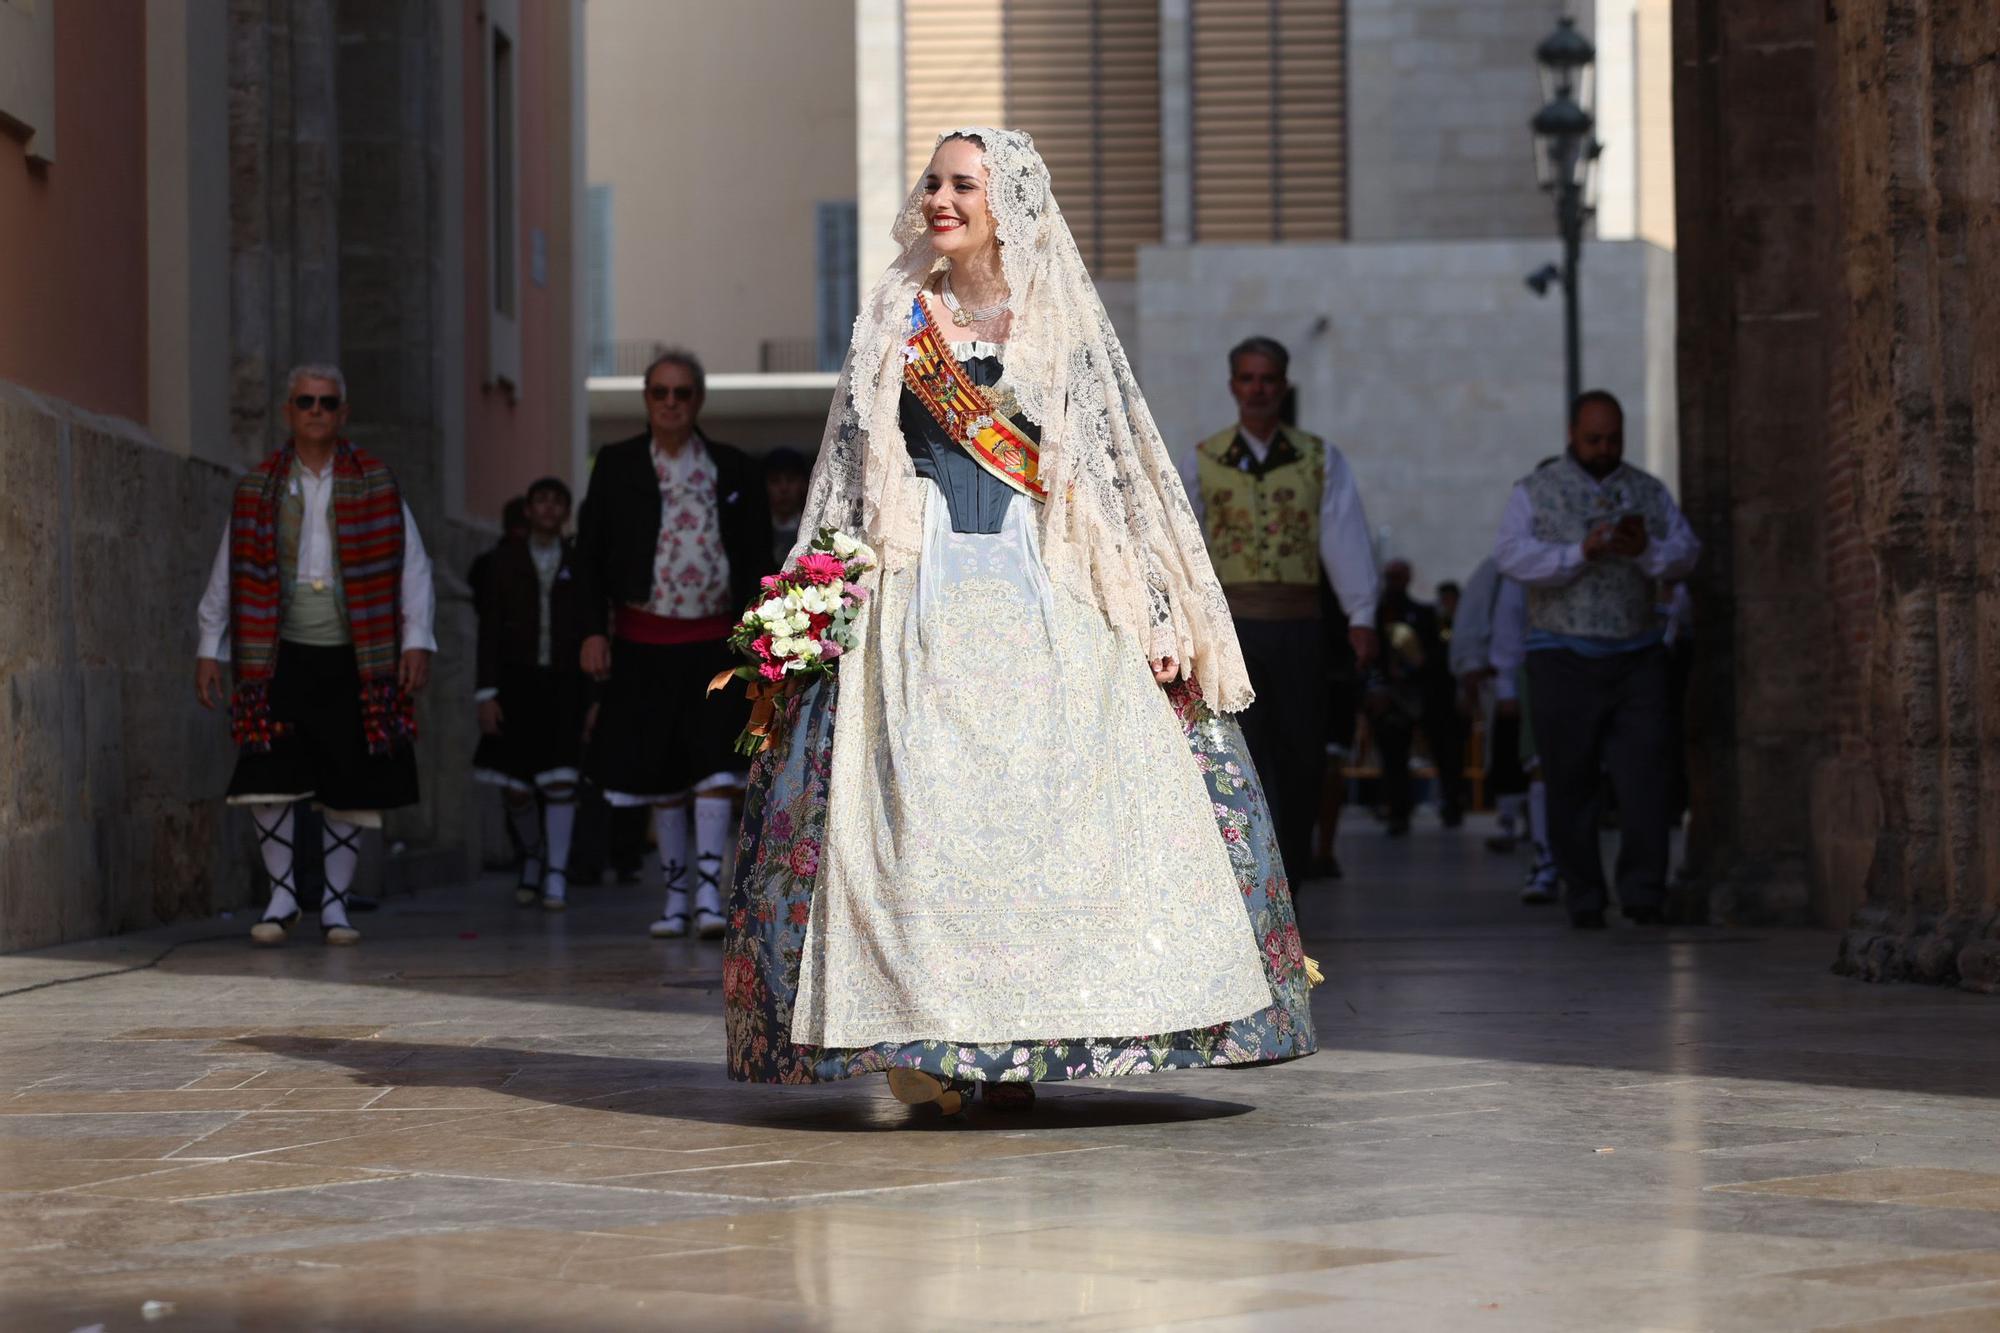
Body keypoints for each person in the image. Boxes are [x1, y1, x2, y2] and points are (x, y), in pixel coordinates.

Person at [724, 128, 1315, 1117]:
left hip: (1044, 595)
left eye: (964, 184)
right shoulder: (894, 316)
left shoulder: (1055, 321)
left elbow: (1102, 479)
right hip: (920, 595)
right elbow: (851, 471)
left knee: (1052, 825)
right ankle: (935, 1039)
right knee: (918, 829)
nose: (942, 199)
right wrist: (815, 593)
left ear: (1008, 204)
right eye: (934, 182)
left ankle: (1028, 1038)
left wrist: (1145, 600)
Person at [194, 364, 435, 946]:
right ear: (288, 412)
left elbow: (413, 566)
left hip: (356, 655)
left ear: (343, 413)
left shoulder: (377, 482)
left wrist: (416, 640)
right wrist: (209, 646)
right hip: (276, 653)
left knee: (349, 782)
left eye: (328, 403)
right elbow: (229, 570)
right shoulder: (256, 488)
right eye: (306, 401)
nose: (317, 411)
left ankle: (334, 906)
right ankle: (281, 898)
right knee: (267, 774)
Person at [573, 350, 773, 940]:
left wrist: (764, 638)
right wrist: (591, 630)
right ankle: (676, 897)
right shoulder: (615, 465)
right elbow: (588, 557)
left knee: (714, 768)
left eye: (682, 393)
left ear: (698, 400)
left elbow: (758, 557)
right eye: (660, 392)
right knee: (661, 773)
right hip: (643, 640)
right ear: (645, 399)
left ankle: (711, 896)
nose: (670, 403)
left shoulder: (733, 468)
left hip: (716, 640)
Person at [1493, 391, 1701, 928]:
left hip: (1637, 653)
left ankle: (1643, 893)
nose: (1605, 449)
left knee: (1646, 779)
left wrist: (1645, 551)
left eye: (1613, 439)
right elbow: (1511, 556)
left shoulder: (1646, 490)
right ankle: (1584, 895)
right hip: (1560, 653)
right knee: (1569, 780)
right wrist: (1578, 552)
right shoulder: (1534, 491)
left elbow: (1687, 552)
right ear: (1572, 434)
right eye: (1594, 440)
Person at [1178, 336, 1379, 882]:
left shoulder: (1319, 458)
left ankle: (1291, 870)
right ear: (1233, 387)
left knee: (1301, 754)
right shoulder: (1203, 460)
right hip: (1234, 632)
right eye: (1248, 379)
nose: (1258, 390)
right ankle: (1245, 877)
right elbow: (1185, 549)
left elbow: (1345, 539)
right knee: (1240, 755)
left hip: (1299, 629)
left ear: (1283, 386)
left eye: (1267, 379)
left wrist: (1362, 616)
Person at [473, 476, 587, 911]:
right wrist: (486, 692)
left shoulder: (578, 561)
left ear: (564, 511)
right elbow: (488, 630)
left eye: (557, 501)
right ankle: (534, 855)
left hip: (564, 682)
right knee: (516, 787)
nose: (548, 509)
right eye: (541, 500)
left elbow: (592, 625)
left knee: (561, 778)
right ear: (528, 508)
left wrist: (593, 697)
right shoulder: (503, 562)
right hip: (515, 682)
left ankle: (556, 873)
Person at [1371, 560, 1463, 833]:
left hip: (1426, 694)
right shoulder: (1376, 616)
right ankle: (1398, 811)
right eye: (1390, 576)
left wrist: (1420, 663)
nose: (1394, 582)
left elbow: (1439, 652)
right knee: (1393, 756)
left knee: (1444, 751)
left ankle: (1451, 805)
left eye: (1399, 576)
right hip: (1392, 696)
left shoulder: (1424, 615)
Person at [1489, 570, 1560, 903]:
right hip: (1542, 661)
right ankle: (1546, 858)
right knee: (1540, 762)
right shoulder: (1531, 539)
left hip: (1611, 655)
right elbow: (1509, 616)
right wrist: (1506, 684)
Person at [1451, 556, 1529, 851]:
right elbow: (1480, 618)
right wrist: (1473, 665)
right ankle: (1509, 819)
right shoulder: (1499, 568)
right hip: (1505, 678)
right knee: (1507, 750)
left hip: (1543, 671)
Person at [764, 446, 811, 566]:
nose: (783, 488)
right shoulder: (754, 531)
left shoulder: (814, 529)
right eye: (775, 481)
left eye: (791, 480)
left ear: (803, 484)